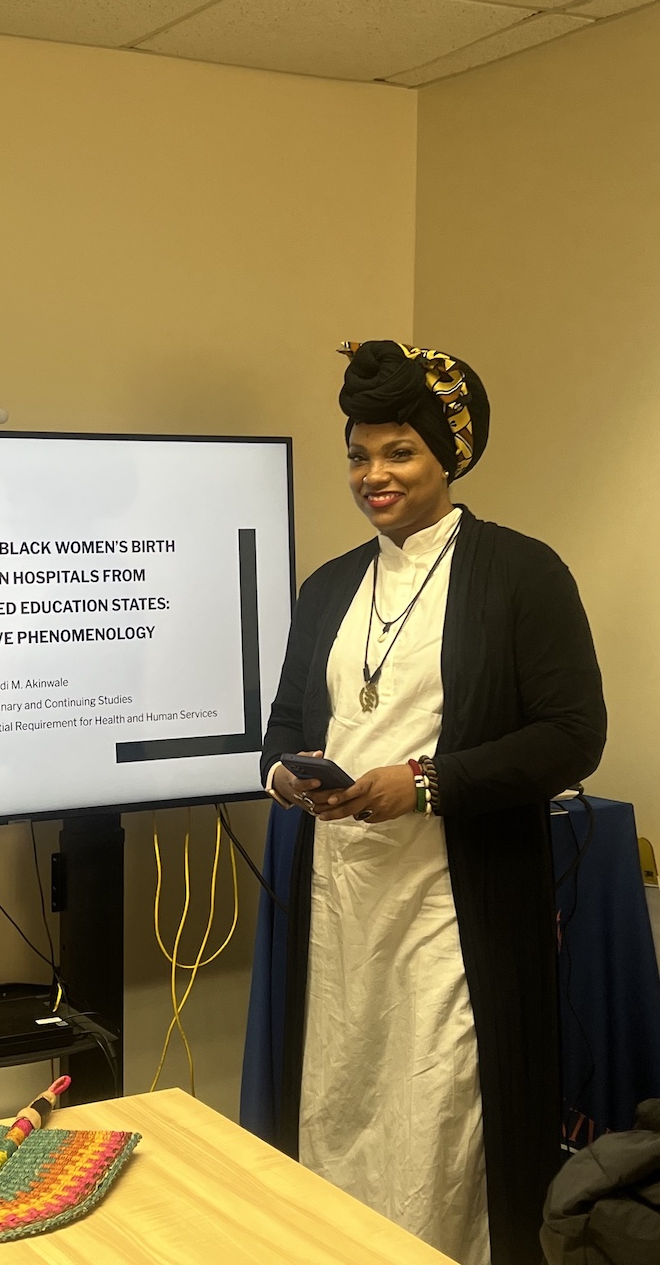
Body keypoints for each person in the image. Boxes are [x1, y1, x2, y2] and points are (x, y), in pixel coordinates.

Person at [258, 341, 606, 1265]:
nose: (373, 475)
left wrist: (422, 783)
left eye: (399, 452)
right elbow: (283, 725)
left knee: (442, 1110)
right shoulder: (328, 586)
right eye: (358, 455)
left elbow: (573, 736)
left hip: (457, 908)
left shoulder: (523, 573)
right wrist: (290, 779)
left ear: (450, 455)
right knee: (341, 1098)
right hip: (343, 903)